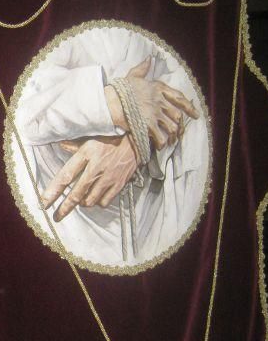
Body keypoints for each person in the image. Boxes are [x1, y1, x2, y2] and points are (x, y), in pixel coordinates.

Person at [13, 26, 205, 269]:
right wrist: (117, 102)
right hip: (68, 217)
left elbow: (189, 80)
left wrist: (135, 142)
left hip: (158, 201)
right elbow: (17, 97)